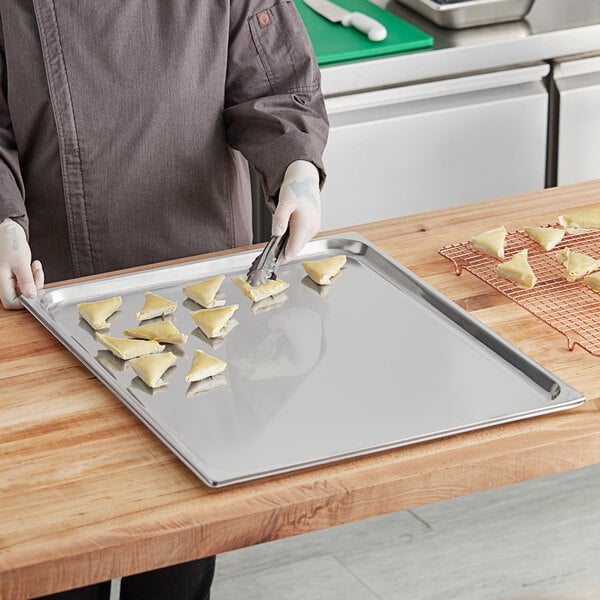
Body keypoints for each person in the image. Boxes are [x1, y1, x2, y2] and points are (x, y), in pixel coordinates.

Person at [0, 1, 328, 598]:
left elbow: (274, 84)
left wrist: (297, 170)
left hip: (195, 295)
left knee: (177, 557)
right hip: (50, 295)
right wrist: (2, 219)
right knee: (62, 552)